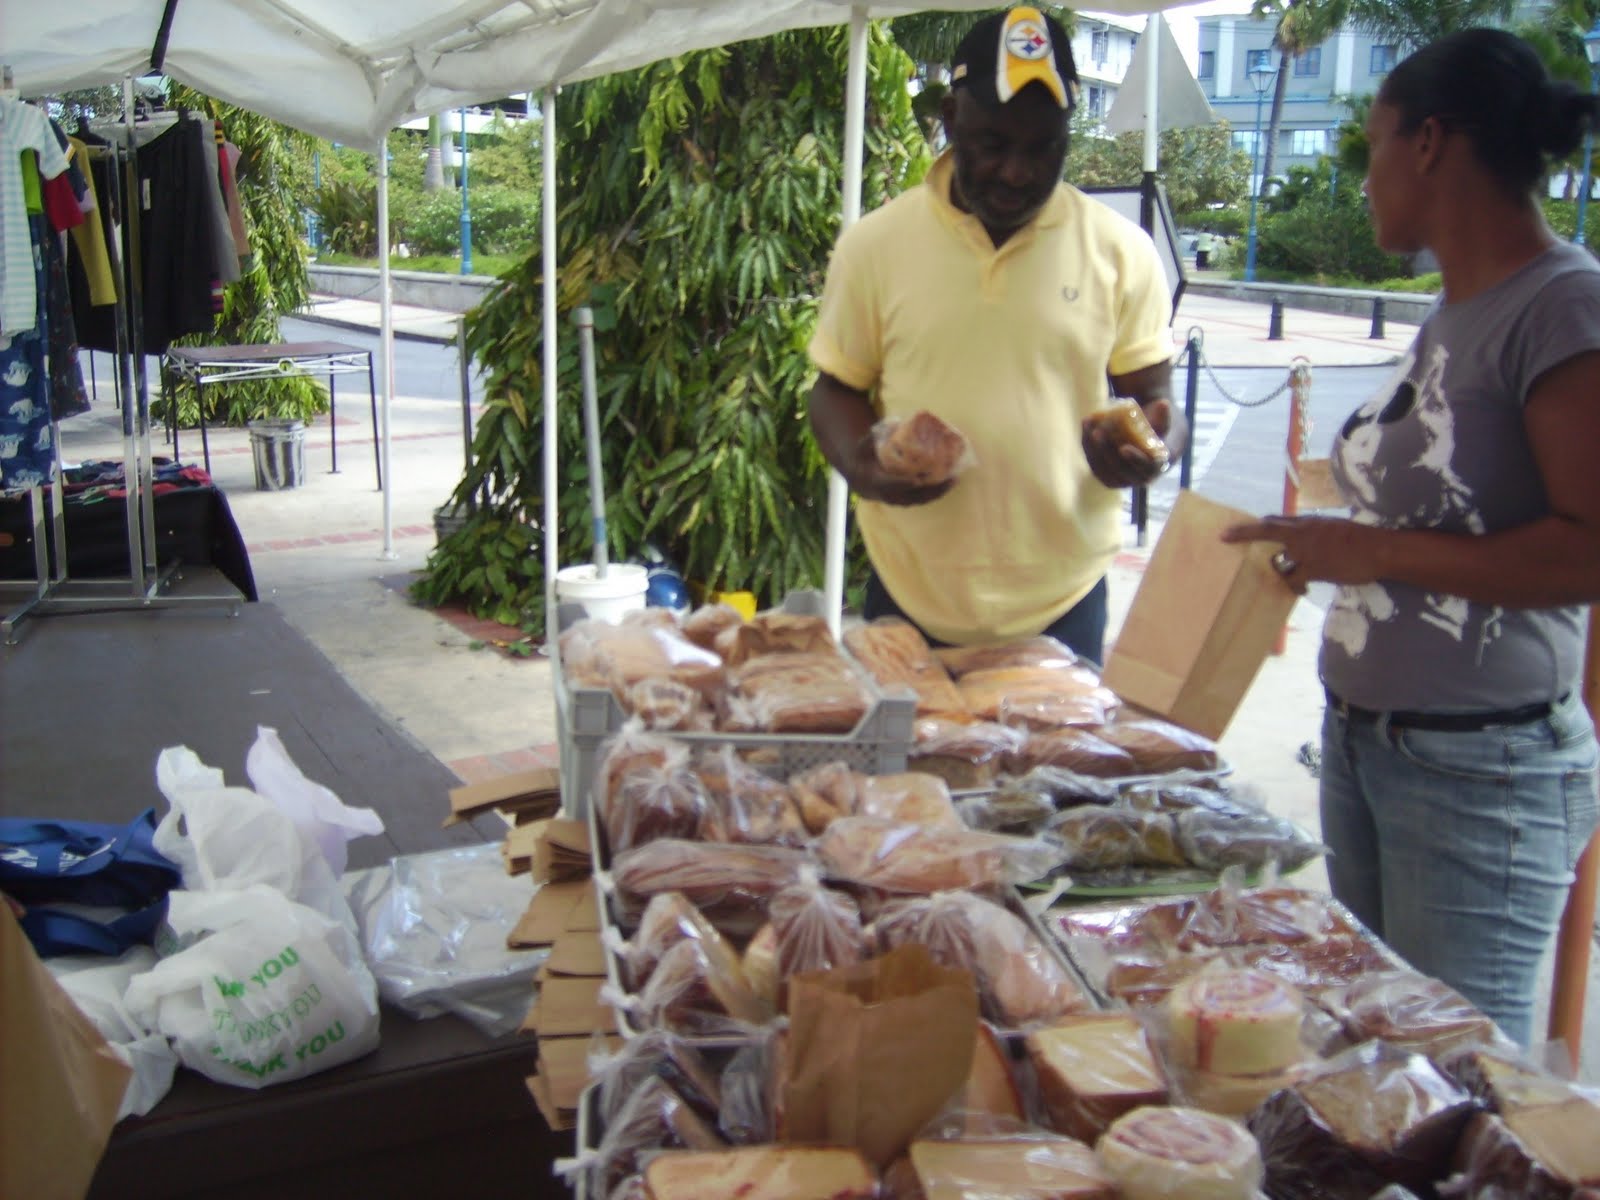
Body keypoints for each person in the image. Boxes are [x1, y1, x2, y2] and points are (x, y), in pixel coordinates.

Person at [1224, 28, 1600, 1047]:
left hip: (1480, 776)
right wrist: (1332, 539)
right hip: (1368, 747)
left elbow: (1586, 549)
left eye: (1372, 146)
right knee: (1378, 1072)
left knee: (1459, 1089)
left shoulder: (1562, 303)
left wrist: (1371, 553)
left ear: (1428, 143)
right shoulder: (1451, 316)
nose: (1364, 179)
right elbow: (1435, 515)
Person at [807, 6, 1184, 664]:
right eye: (993, 143)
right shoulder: (874, 246)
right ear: (951, 122)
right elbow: (834, 391)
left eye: (1044, 149)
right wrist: (864, 467)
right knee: (907, 770)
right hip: (907, 591)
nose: (1017, 172)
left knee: (1050, 774)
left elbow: (1157, 402)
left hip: (1063, 601)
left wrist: (1152, 452)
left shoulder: (1121, 252)